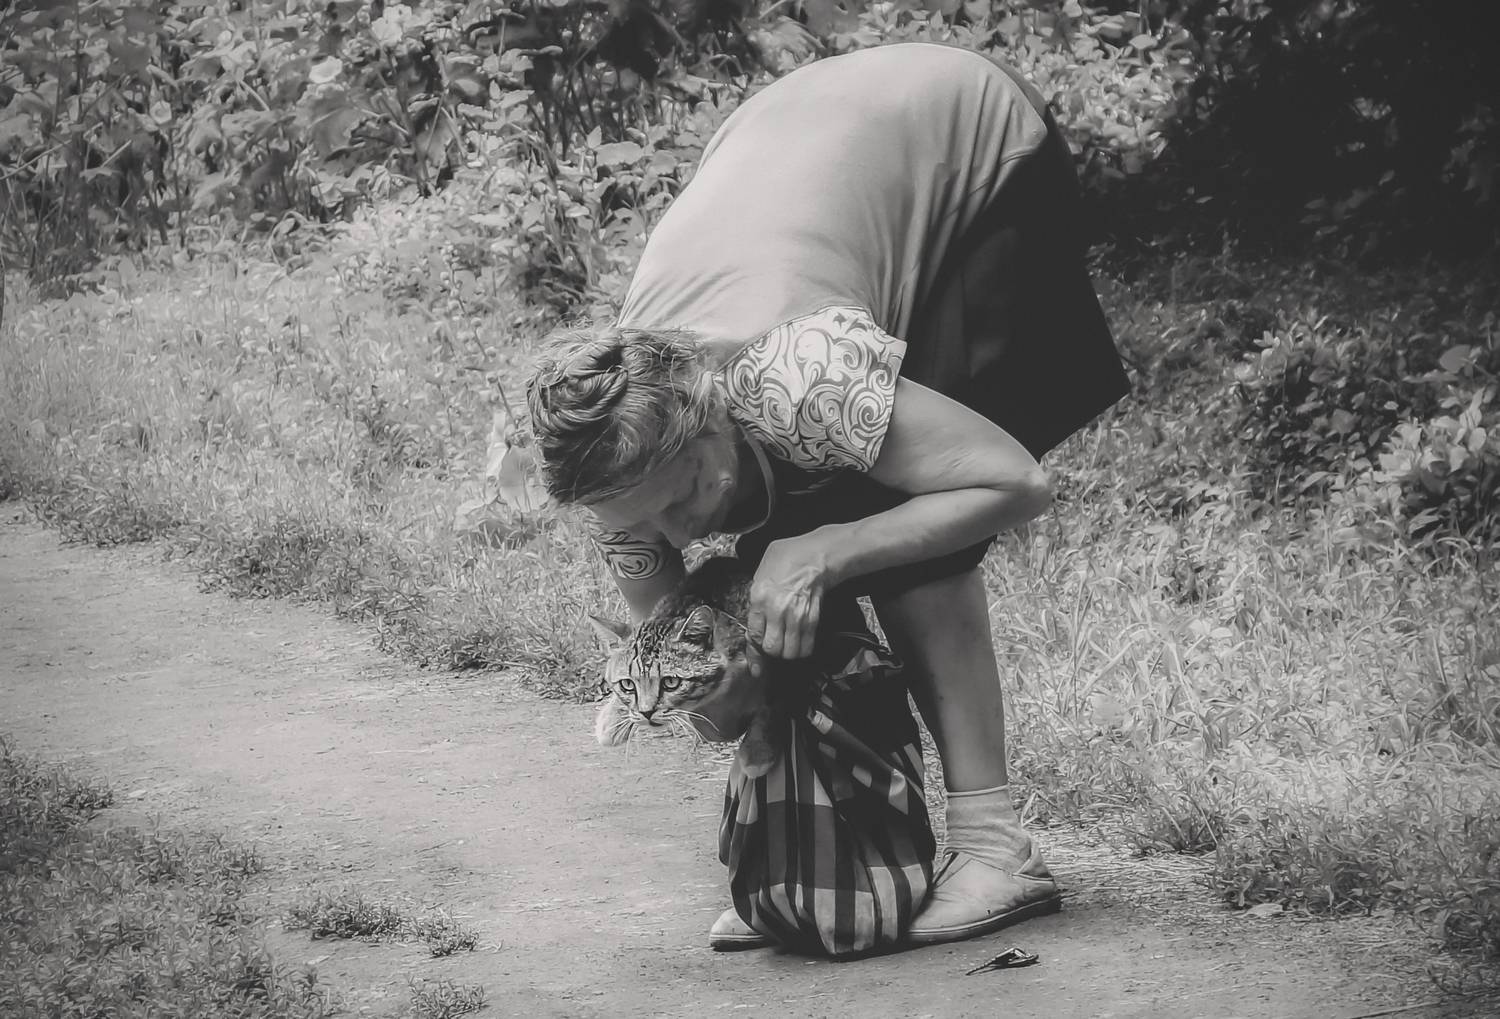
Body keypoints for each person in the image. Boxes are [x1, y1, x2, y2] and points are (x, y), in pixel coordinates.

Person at [525, 42, 1130, 949]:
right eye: (638, 524)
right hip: (791, 135)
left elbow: (1012, 481)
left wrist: (830, 549)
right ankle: (813, 855)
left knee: (895, 532)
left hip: (966, 140)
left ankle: (997, 848)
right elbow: (698, 650)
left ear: (713, 418)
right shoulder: (620, 464)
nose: (671, 534)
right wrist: (728, 701)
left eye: (684, 499)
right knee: (779, 563)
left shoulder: (796, 379)